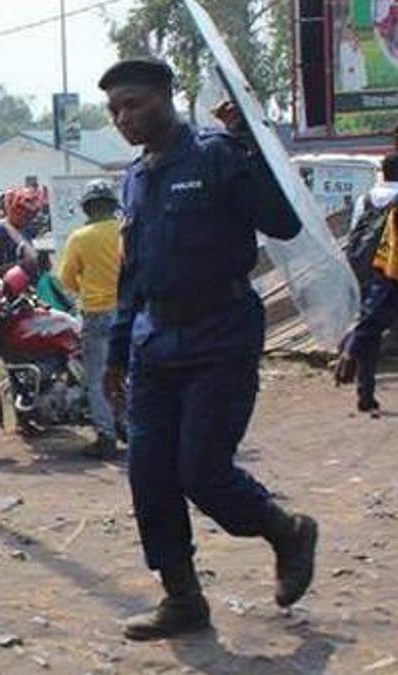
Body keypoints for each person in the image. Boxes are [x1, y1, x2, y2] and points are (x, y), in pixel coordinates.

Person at [99, 57, 317, 641]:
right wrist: (117, 352)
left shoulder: (219, 156)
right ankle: (183, 599)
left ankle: (285, 529)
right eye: (115, 109)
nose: (124, 117)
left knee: (201, 470)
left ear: (168, 96)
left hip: (220, 336)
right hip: (154, 342)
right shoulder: (135, 177)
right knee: (149, 475)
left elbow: (284, 223)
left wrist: (253, 144)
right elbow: (132, 274)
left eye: (135, 103)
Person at [56, 179, 123, 458]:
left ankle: (106, 437)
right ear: (112, 206)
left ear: (87, 208)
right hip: (132, 312)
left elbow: (67, 280)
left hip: (97, 314)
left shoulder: (80, 238)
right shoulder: (125, 231)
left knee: (98, 378)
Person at [336, 153, 398, 413]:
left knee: (370, 328)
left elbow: (355, 234)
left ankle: (365, 393)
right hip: (394, 271)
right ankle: (349, 350)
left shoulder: (366, 198)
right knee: (370, 328)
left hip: (368, 271)